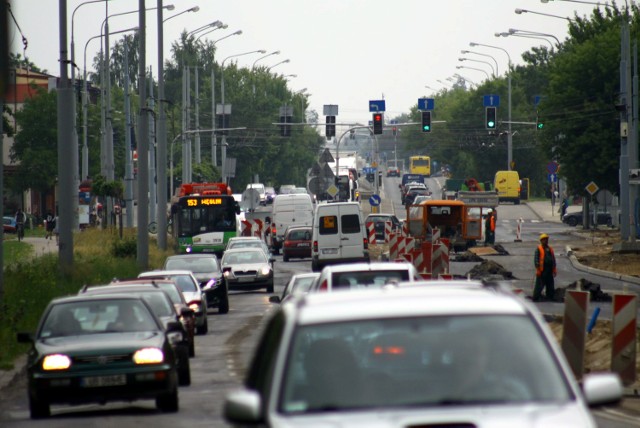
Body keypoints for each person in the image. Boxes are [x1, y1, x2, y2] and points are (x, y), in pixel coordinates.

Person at [533, 233, 557, 302]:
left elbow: (553, 259)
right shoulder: (538, 249)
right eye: (544, 239)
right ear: (541, 241)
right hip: (542, 270)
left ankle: (550, 296)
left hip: (549, 270)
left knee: (550, 284)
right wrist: (538, 269)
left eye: (546, 239)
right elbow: (536, 259)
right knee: (539, 285)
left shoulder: (550, 249)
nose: (546, 241)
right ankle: (536, 297)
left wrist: (554, 269)